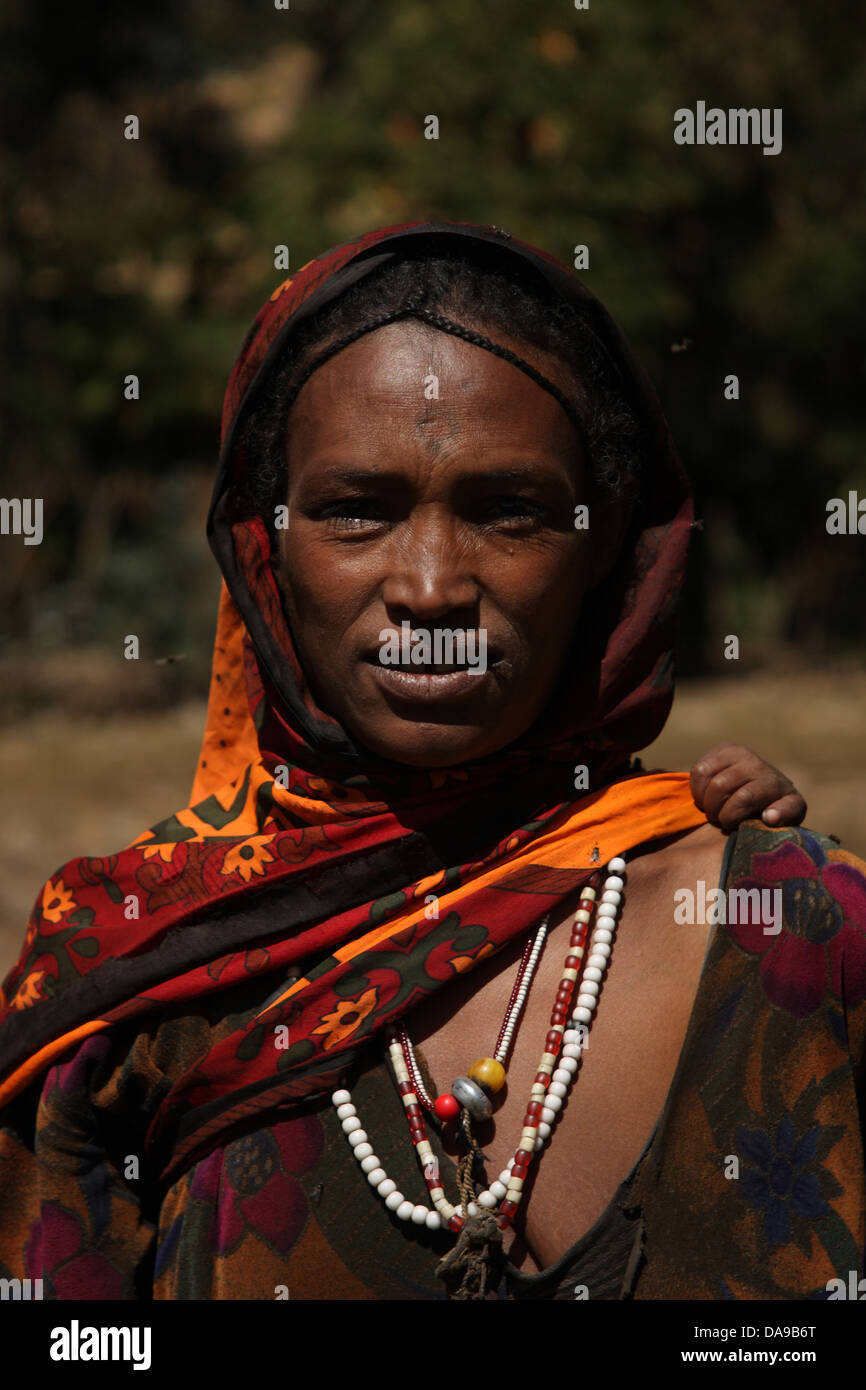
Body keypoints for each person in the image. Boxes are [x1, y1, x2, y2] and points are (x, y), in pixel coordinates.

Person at [0, 221, 862, 1303]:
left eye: (509, 512)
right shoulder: (141, 983)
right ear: (264, 545)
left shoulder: (793, 930)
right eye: (354, 510)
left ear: (605, 541)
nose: (429, 586)